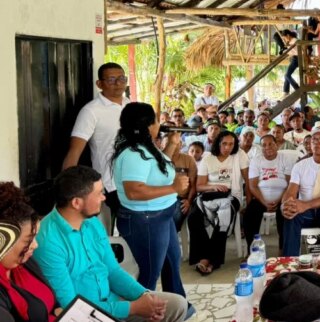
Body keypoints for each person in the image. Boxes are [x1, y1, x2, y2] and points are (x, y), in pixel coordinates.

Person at [34, 168, 188, 322]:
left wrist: (144, 297)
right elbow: (71, 306)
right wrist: (133, 308)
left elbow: (113, 271)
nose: (104, 197)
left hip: (111, 299)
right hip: (85, 316)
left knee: (177, 305)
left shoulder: (92, 223)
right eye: (99, 193)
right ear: (76, 203)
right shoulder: (47, 241)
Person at [111, 103, 190, 301]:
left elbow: (159, 169)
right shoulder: (133, 154)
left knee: (172, 264)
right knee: (149, 274)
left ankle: (178, 307)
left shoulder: (146, 148)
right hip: (145, 220)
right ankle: (141, 312)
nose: (159, 124)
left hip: (162, 216)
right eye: (155, 120)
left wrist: (172, 144)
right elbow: (134, 191)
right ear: (147, 125)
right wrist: (173, 188)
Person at [62, 62, 130, 230]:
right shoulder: (91, 111)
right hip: (110, 183)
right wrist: (66, 189)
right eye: (111, 79)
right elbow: (75, 150)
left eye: (121, 79)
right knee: (116, 228)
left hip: (134, 178)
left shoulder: (130, 105)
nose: (118, 83)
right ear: (99, 84)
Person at [189, 131, 248, 274]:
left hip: (231, 195)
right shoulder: (208, 159)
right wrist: (213, 186)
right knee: (193, 218)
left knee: (223, 221)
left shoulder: (238, 156)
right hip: (208, 195)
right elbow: (199, 186)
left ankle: (211, 260)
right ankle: (204, 256)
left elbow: (248, 180)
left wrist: (248, 201)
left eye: (231, 144)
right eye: (224, 143)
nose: (227, 147)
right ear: (218, 143)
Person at [0, 183, 59, 322]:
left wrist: (59, 312)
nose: (35, 245)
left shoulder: (24, 263)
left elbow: (52, 303)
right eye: (28, 240)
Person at [282, 128, 320, 256]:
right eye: (314, 139)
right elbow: (291, 190)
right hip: (304, 209)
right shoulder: (300, 165)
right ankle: (290, 263)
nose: (317, 142)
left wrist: (305, 205)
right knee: (290, 217)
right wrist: (286, 204)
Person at [245, 135, 296, 253]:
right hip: (261, 198)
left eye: (271, 144)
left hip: (283, 197)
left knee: (286, 214)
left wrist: (280, 200)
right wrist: (264, 202)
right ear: (261, 148)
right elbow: (252, 185)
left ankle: (283, 249)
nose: (268, 147)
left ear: (276, 145)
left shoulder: (286, 159)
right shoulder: (256, 160)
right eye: (264, 145)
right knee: (249, 215)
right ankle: (252, 250)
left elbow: (290, 184)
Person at [281, 30, 299, 96]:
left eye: (284, 38)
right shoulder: (290, 42)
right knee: (286, 75)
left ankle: (296, 88)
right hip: (295, 58)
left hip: (298, 58)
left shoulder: (294, 41)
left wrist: (286, 51)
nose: (284, 40)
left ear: (288, 35)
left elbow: (293, 51)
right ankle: (286, 91)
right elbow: (291, 52)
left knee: (287, 75)